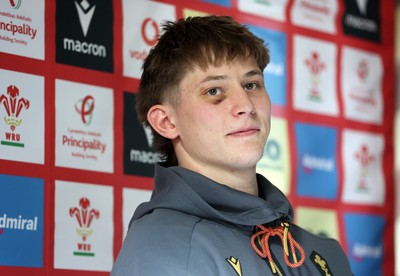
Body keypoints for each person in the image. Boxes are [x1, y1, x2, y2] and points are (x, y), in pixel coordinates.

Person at [111, 15, 352, 275]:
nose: (246, 106)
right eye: (214, 91)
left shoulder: (323, 252)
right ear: (167, 122)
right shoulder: (163, 252)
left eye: (251, 85)